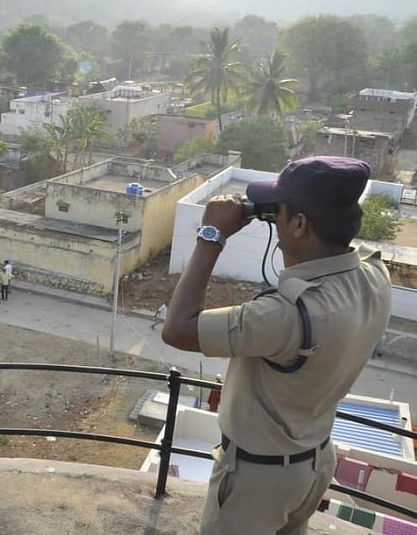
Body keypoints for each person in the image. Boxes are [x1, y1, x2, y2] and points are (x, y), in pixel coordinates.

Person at [162, 156, 391, 535]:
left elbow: (178, 329)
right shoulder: (374, 277)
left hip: (258, 480)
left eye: (279, 212)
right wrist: (286, 217)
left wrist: (211, 235)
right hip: (314, 464)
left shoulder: (287, 315)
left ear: (300, 224)